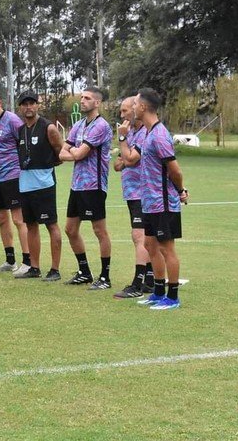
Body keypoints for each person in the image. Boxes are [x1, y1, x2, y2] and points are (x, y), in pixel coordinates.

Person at [124, 88, 188, 310]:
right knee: (150, 245)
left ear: (143, 107)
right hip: (148, 202)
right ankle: (158, 292)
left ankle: (173, 297)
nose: (132, 108)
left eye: (134, 104)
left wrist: (180, 191)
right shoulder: (148, 133)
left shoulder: (160, 135)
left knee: (166, 248)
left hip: (163, 202)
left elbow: (175, 170)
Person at [59, 87, 113, 290]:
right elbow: (62, 154)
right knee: (70, 229)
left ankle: (105, 277)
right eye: (82, 97)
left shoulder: (101, 126)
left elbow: (79, 154)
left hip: (94, 185)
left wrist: (74, 151)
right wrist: (75, 151)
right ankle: (84, 272)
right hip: (77, 185)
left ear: (97, 103)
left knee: (99, 230)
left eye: (87, 98)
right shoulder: (79, 125)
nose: (82, 100)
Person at [0, 93, 31, 275]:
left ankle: (28, 261)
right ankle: (10, 260)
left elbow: (24, 144)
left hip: (13, 175)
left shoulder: (12, 120)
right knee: (1, 219)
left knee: (18, 219)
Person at [15, 90, 63, 281]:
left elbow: (61, 152)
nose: (28, 107)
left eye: (32, 103)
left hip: (44, 183)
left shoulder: (48, 128)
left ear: (37, 105)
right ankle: (34, 267)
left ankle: (55, 269)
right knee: (31, 225)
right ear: (20, 107)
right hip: (25, 184)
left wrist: (46, 167)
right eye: (25, 104)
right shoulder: (21, 130)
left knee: (51, 225)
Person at [112, 97, 154, 298]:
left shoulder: (144, 132)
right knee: (144, 238)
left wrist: (122, 139)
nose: (122, 116)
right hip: (132, 192)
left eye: (125, 111)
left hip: (141, 192)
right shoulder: (134, 134)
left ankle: (137, 284)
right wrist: (125, 151)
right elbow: (118, 164)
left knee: (140, 237)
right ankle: (151, 280)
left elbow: (129, 158)